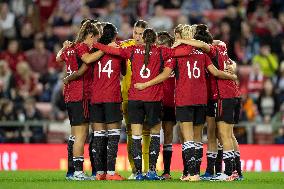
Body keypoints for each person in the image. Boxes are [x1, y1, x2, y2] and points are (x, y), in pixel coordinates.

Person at [134, 25, 237, 182]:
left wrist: (145, 84)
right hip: (201, 100)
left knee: (186, 137)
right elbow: (215, 72)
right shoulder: (202, 53)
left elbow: (165, 75)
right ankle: (198, 172)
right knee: (197, 138)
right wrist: (232, 76)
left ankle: (192, 173)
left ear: (178, 35)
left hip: (184, 99)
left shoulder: (175, 55)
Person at [93, 28, 197, 180]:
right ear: (155, 40)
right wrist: (181, 42)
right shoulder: (162, 51)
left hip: (135, 98)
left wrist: (96, 45)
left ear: (142, 38)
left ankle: (138, 173)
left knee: (135, 136)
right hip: (153, 100)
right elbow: (187, 51)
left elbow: (112, 51)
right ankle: (152, 172)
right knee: (155, 134)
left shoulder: (132, 50)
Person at [175, 24, 242, 181]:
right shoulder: (221, 47)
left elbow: (204, 47)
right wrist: (234, 68)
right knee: (224, 134)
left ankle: (228, 172)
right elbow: (230, 61)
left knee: (222, 134)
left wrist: (183, 40)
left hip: (220, 95)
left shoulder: (209, 51)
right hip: (228, 94)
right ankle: (234, 172)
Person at [56, 20, 102, 180]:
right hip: (80, 95)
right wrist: (104, 50)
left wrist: (63, 46)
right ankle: (78, 172)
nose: (95, 42)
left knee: (75, 135)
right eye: (95, 39)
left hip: (70, 95)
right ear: (90, 35)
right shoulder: (82, 47)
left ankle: (73, 172)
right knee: (81, 135)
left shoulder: (70, 48)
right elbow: (87, 61)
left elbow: (57, 58)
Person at [119, 20, 151, 179]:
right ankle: (135, 170)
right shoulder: (125, 46)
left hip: (149, 97)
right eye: (135, 33)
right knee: (132, 134)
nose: (137, 37)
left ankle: (147, 169)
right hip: (128, 97)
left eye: (140, 34)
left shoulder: (152, 48)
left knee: (147, 133)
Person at [156, 31, 176, 180]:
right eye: (159, 45)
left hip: (171, 102)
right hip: (156, 101)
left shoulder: (176, 58)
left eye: (164, 45)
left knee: (168, 136)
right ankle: (149, 169)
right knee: (154, 135)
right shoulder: (154, 59)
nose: (162, 48)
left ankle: (167, 171)